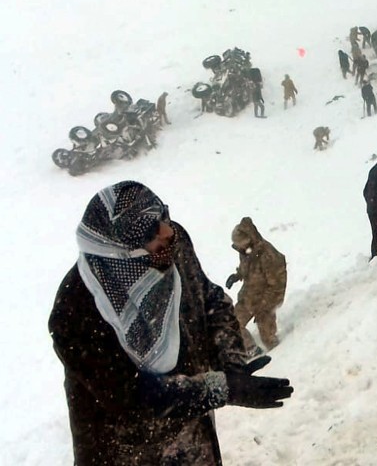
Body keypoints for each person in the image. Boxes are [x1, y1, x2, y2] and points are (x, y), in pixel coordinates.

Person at [49, 181, 293, 465]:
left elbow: (208, 297)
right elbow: (132, 398)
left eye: (162, 216)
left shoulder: (169, 244)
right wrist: (221, 388)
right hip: (127, 451)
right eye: (151, 230)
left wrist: (229, 359)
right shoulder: (75, 311)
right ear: (121, 252)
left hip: (193, 436)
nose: (166, 231)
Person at [225, 217, 287, 356]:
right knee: (233, 322)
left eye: (240, 245)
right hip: (248, 298)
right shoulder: (246, 252)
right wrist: (237, 275)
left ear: (248, 241)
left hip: (265, 302)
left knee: (268, 338)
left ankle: (281, 358)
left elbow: (277, 285)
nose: (239, 249)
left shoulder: (268, 255)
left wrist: (264, 306)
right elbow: (247, 268)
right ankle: (251, 349)